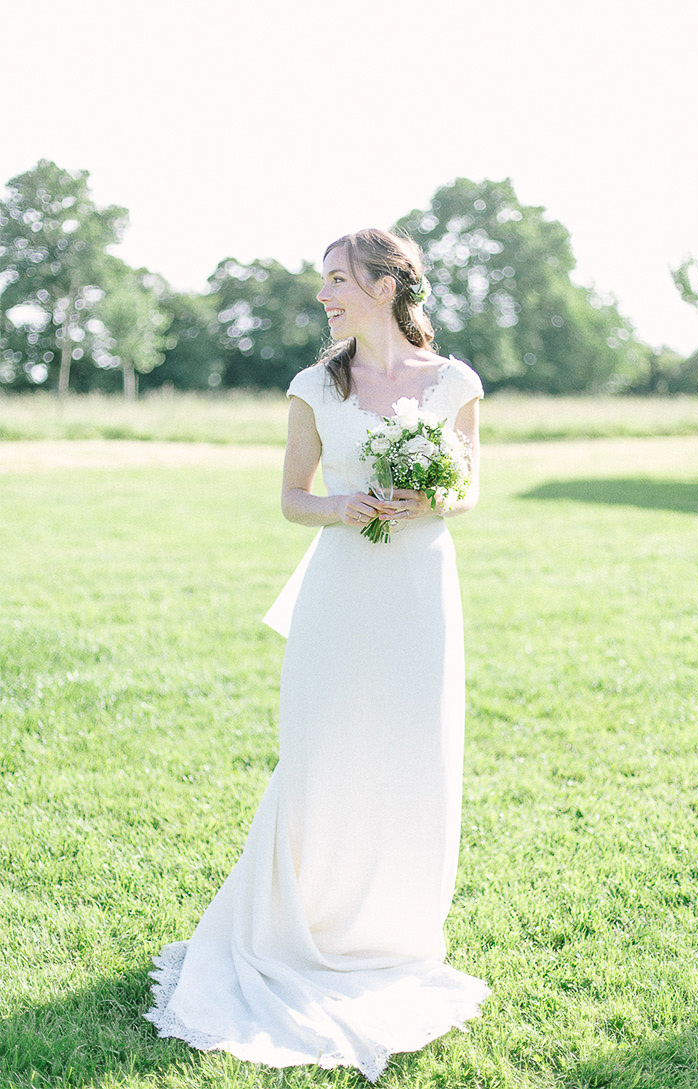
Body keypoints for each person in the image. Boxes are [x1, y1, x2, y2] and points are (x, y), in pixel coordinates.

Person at [144, 228, 488, 1081]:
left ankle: (392, 929)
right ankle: (306, 923)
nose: (326, 295)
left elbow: (473, 484)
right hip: (340, 588)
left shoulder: (454, 383)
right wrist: (345, 506)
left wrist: (431, 493)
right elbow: (292, 499)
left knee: (413, 755)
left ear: (386, 284)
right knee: (324, 752)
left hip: (419, 588)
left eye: (338, 279)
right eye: (325, 281)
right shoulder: (313, 386)